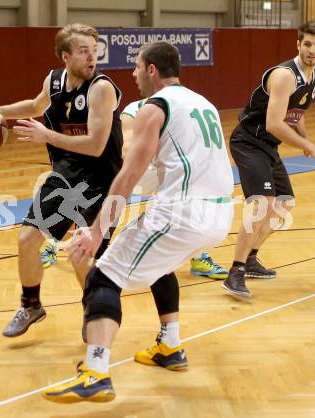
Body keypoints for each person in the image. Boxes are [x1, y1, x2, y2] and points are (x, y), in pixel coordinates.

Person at [41, 41, 234, 403]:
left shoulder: (154, 106)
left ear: (151, 70)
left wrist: (97, 233)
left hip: (183, 212)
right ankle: (170, 347)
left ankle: (96, 372)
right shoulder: (202, 103)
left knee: (103, 274)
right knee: (160, 266)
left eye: (136, 66)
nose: (131, 74)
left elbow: (129, 175)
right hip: (221, 212)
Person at [0, 23, 124, 337]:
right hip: (65, 178)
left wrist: (45, 135)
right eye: (84, 51)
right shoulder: (54, 81)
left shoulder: (101, 88)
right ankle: (31, 304)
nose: (92, 57)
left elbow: (95, 145)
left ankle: (92, 310)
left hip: (103, 183)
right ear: (66, 56)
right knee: (26, 241)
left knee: (81, 255)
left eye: (95, 50)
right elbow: (35, 106)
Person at [223, 21, 315, 298]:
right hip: (249, 141)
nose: (311, 50)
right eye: (306, 43)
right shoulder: (285, 75)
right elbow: (273, 123)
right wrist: (312, 146)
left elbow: (297, 111)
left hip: (268, 147)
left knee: (284, 205)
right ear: (298, 45)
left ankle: (250, 259)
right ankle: (234, 271)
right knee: (262, 204)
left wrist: (304, 140)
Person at [121, 100, 229, 280]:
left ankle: (198, 256)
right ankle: (129, 248)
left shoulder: (180, 108)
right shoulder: (134, 110)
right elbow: (127, 149)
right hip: (143, 170)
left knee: (191, 198)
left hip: (169, 172)